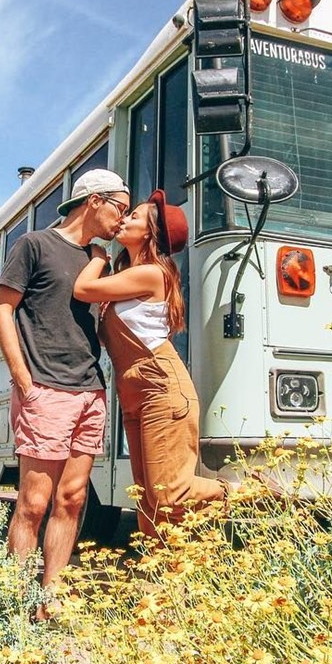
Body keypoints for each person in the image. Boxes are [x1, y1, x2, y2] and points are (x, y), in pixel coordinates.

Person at [0, 169, 130, 619]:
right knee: (33, 503)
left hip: (90, 390)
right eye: (120, 208)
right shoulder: (34, 245)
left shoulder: (99, 259)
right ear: (94, 201)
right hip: (45, 388)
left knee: (72, 500)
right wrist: (23, 379)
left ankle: (49, 600)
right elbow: (2, 311)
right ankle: (13, 603)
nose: (122, 219)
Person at [73, 190, 228, 539]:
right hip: (134, 396)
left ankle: (236, 493)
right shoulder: (128, 279)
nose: (124, 219)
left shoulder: (151, 274)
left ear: (149, 233)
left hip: (162, 388)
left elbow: (83, 288)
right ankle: (163, 580)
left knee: (168, 492)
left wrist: (97, 254)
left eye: (134, 217)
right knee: (148, 500)